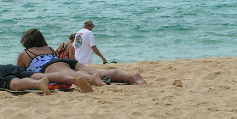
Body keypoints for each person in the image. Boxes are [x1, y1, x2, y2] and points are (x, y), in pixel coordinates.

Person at [0, 35, 94, 94]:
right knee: (35, 75)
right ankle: (74, 79)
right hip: (5, 67)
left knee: (14, 83)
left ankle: (38, 84)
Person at [17, 29, 146, 85]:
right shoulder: (49, 48)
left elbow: (19, 72)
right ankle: (131, 77)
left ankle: (91, 79)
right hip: (67, 61)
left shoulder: (25, 53)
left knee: (71, 74)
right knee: (100, 72)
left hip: (51, 66)